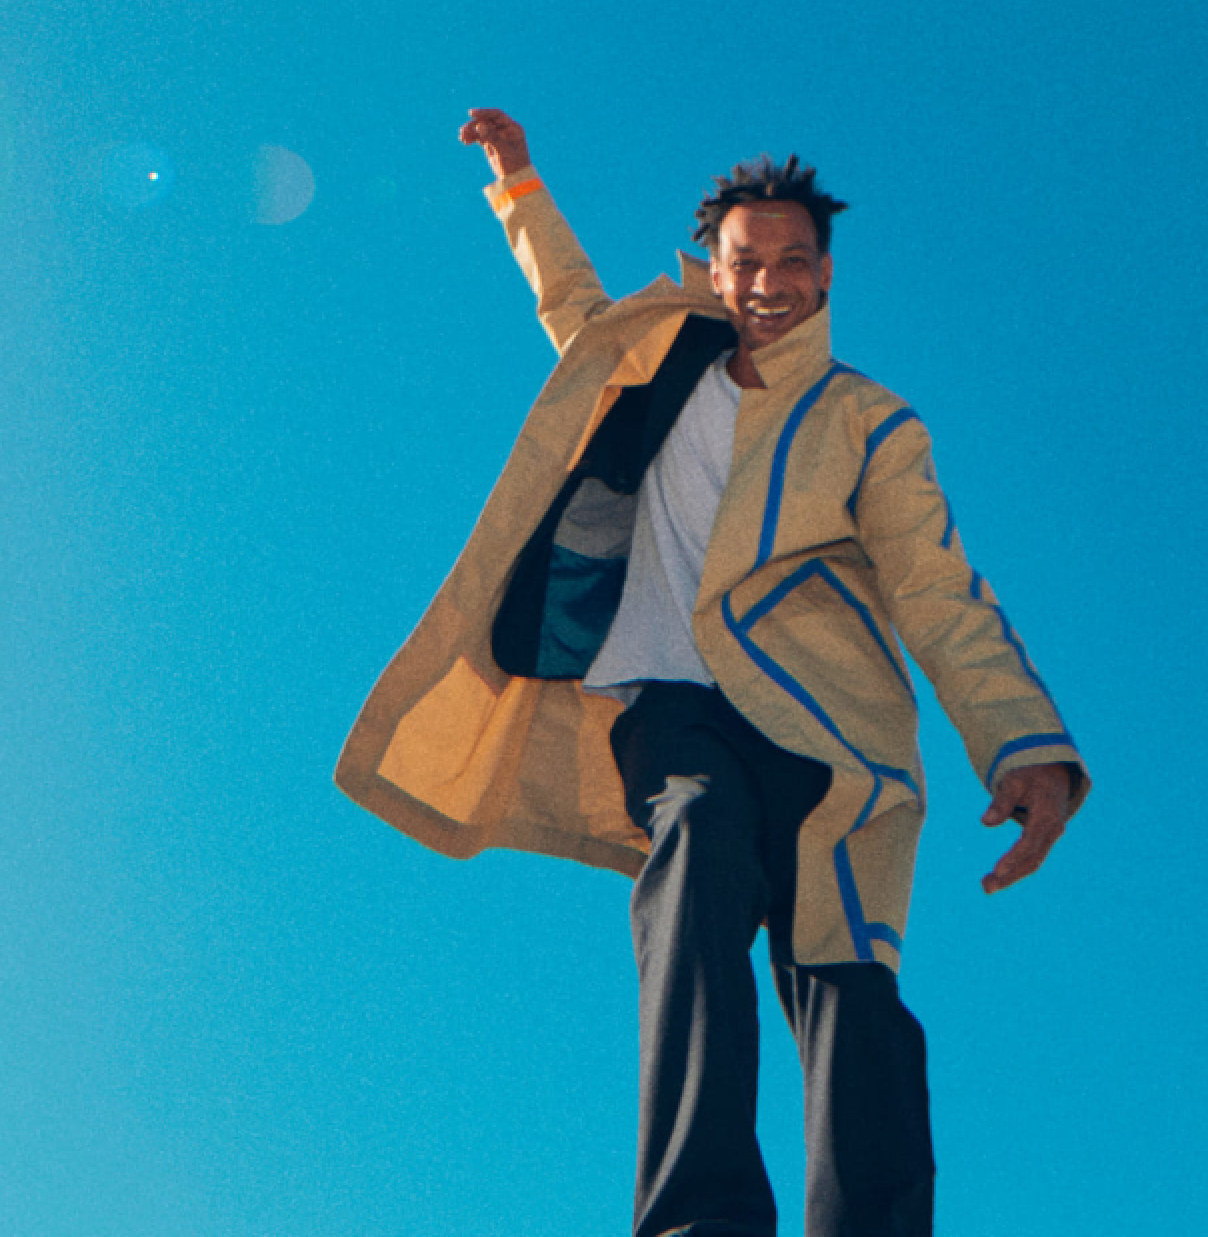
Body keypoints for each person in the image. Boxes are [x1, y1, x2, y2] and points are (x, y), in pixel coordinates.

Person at [336, 109, 1086, 1237]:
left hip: (830, 736)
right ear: (716, 270)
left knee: (849, 991)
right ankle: (701, 1219)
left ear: (825, 274)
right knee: (694, 854)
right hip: (676, 707)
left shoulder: (867, 422)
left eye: (793, 261)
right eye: (748, 262)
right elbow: (572, 305)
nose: (770, 283)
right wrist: (519, 185)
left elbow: (937, 591)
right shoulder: (655, 366)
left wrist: (1022, 743)